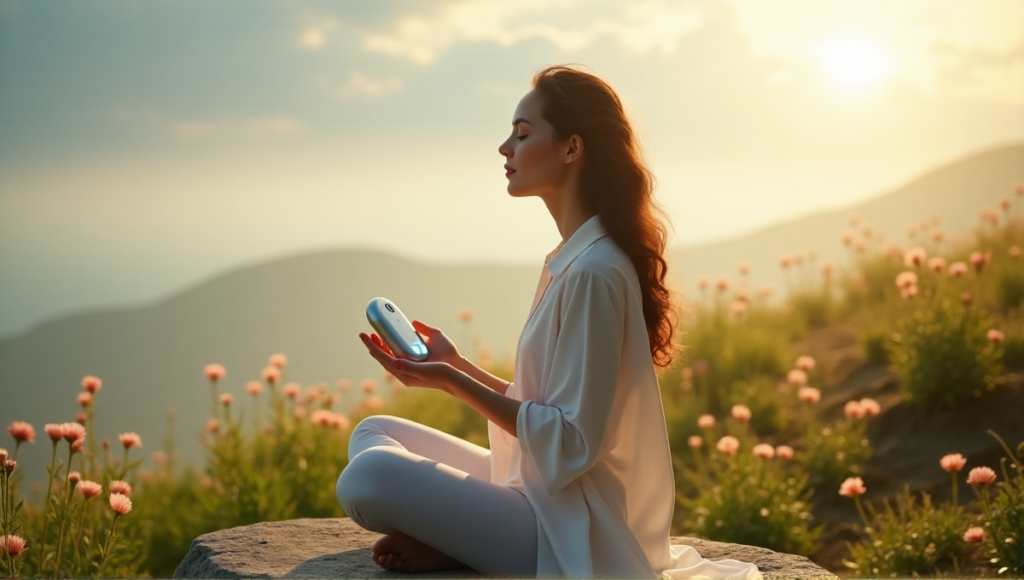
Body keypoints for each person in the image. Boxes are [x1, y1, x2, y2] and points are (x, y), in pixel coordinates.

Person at [336, 64, 762, 580]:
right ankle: (463, 538)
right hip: (533, 490)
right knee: (373, 431)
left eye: (522, 133)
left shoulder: (594, 272)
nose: (504, 148)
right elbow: (547, 407)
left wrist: (450, 381)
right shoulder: (572, 258)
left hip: (568, 530)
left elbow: (573, 440)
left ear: (572, 148)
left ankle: (464, 540)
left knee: (369, 477)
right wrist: (457, 367)